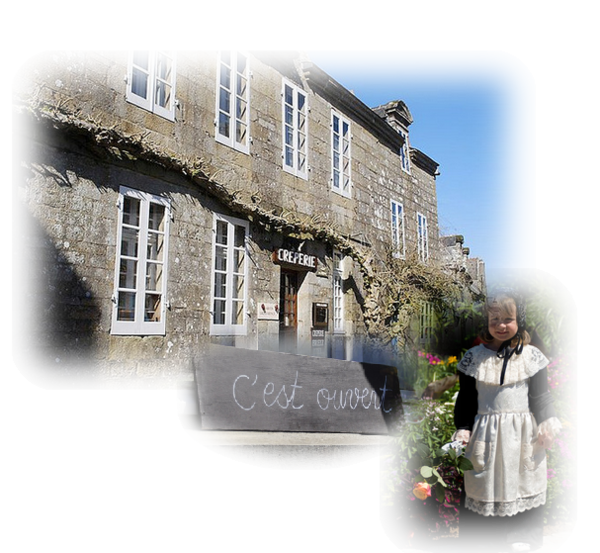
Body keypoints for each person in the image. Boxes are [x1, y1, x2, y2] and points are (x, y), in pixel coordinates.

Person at [453, 289, 562, 553]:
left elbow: (540, 397)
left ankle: (520, 534)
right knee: (484, 481)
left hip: (522, 433)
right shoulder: (474, 358)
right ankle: (484, 539)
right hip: (485, 433)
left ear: (519, 319)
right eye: (495, 320)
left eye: (508, 319)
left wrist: (547, 426)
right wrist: (463, 429)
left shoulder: (531, 357)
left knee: (522, 479)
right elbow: (466, 400)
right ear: (486, 322)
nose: (501, 326)